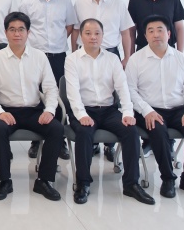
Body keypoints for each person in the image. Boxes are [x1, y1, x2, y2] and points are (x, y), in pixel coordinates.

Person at [65, 18, 154, 205]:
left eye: (97, 33)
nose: (93, 37)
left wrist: (128, 113)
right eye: (88, 33)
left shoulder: (112, 59)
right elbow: (72, 93)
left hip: (108, 110)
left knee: (131, 131)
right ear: (81, 36)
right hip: (84, 110)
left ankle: (131, 184)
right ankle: (83, 183)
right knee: (84, 133)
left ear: (103, 36)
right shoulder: (72, 59)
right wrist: (82, 115)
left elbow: (123, 88)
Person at [0, 12, 63, 202]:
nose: (17, 34)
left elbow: (51, 88)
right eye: (12, 29)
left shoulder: (39, 57)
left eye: (21, 29)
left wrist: (49, 110)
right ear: (5, 33)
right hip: (7, 111)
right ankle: (5, 180)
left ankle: (44, 180)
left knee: (56, 129)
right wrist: (0, 113)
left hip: (34, 111)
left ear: (28, 32)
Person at [126, 15, 184, 200]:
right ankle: (168, 179)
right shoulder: (136, 60)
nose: (156, 34)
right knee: (158, 130)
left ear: (169, 34)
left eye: (160, 30)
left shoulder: (181, 59)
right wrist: (147, 111)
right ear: (145, 36)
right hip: (149, 109)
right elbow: (130, 91)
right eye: (151, 31)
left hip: (178, 110)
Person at [72, 0, 134, 161]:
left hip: (111, 54)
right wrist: (74, 53)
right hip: (85, 54)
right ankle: (91, 142)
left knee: (111, 98)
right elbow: (75, 31)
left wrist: (127, 57)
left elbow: (126, 32)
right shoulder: (79, 4)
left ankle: (110, 145)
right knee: (89, 93)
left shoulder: (118, 4)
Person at [128, 0, 184, 157]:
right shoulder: (135, 1)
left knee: (167, 91)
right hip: (143, 53)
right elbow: (131, 31)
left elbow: (179, 28)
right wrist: (129, 55)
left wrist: (180, 54)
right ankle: (150, 140)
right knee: (147, 92)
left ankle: (167, 142)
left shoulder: (173, 0)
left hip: (168, 53)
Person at [19, 0, 75, 161]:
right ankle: (36, 141)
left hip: (58, 55)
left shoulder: (66, 1)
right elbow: (22, 27)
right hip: (34, 56)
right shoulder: (27, 2)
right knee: (36, 96)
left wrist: (57, 41)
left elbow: (70, 26)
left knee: (58, 97)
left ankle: (59, 141)